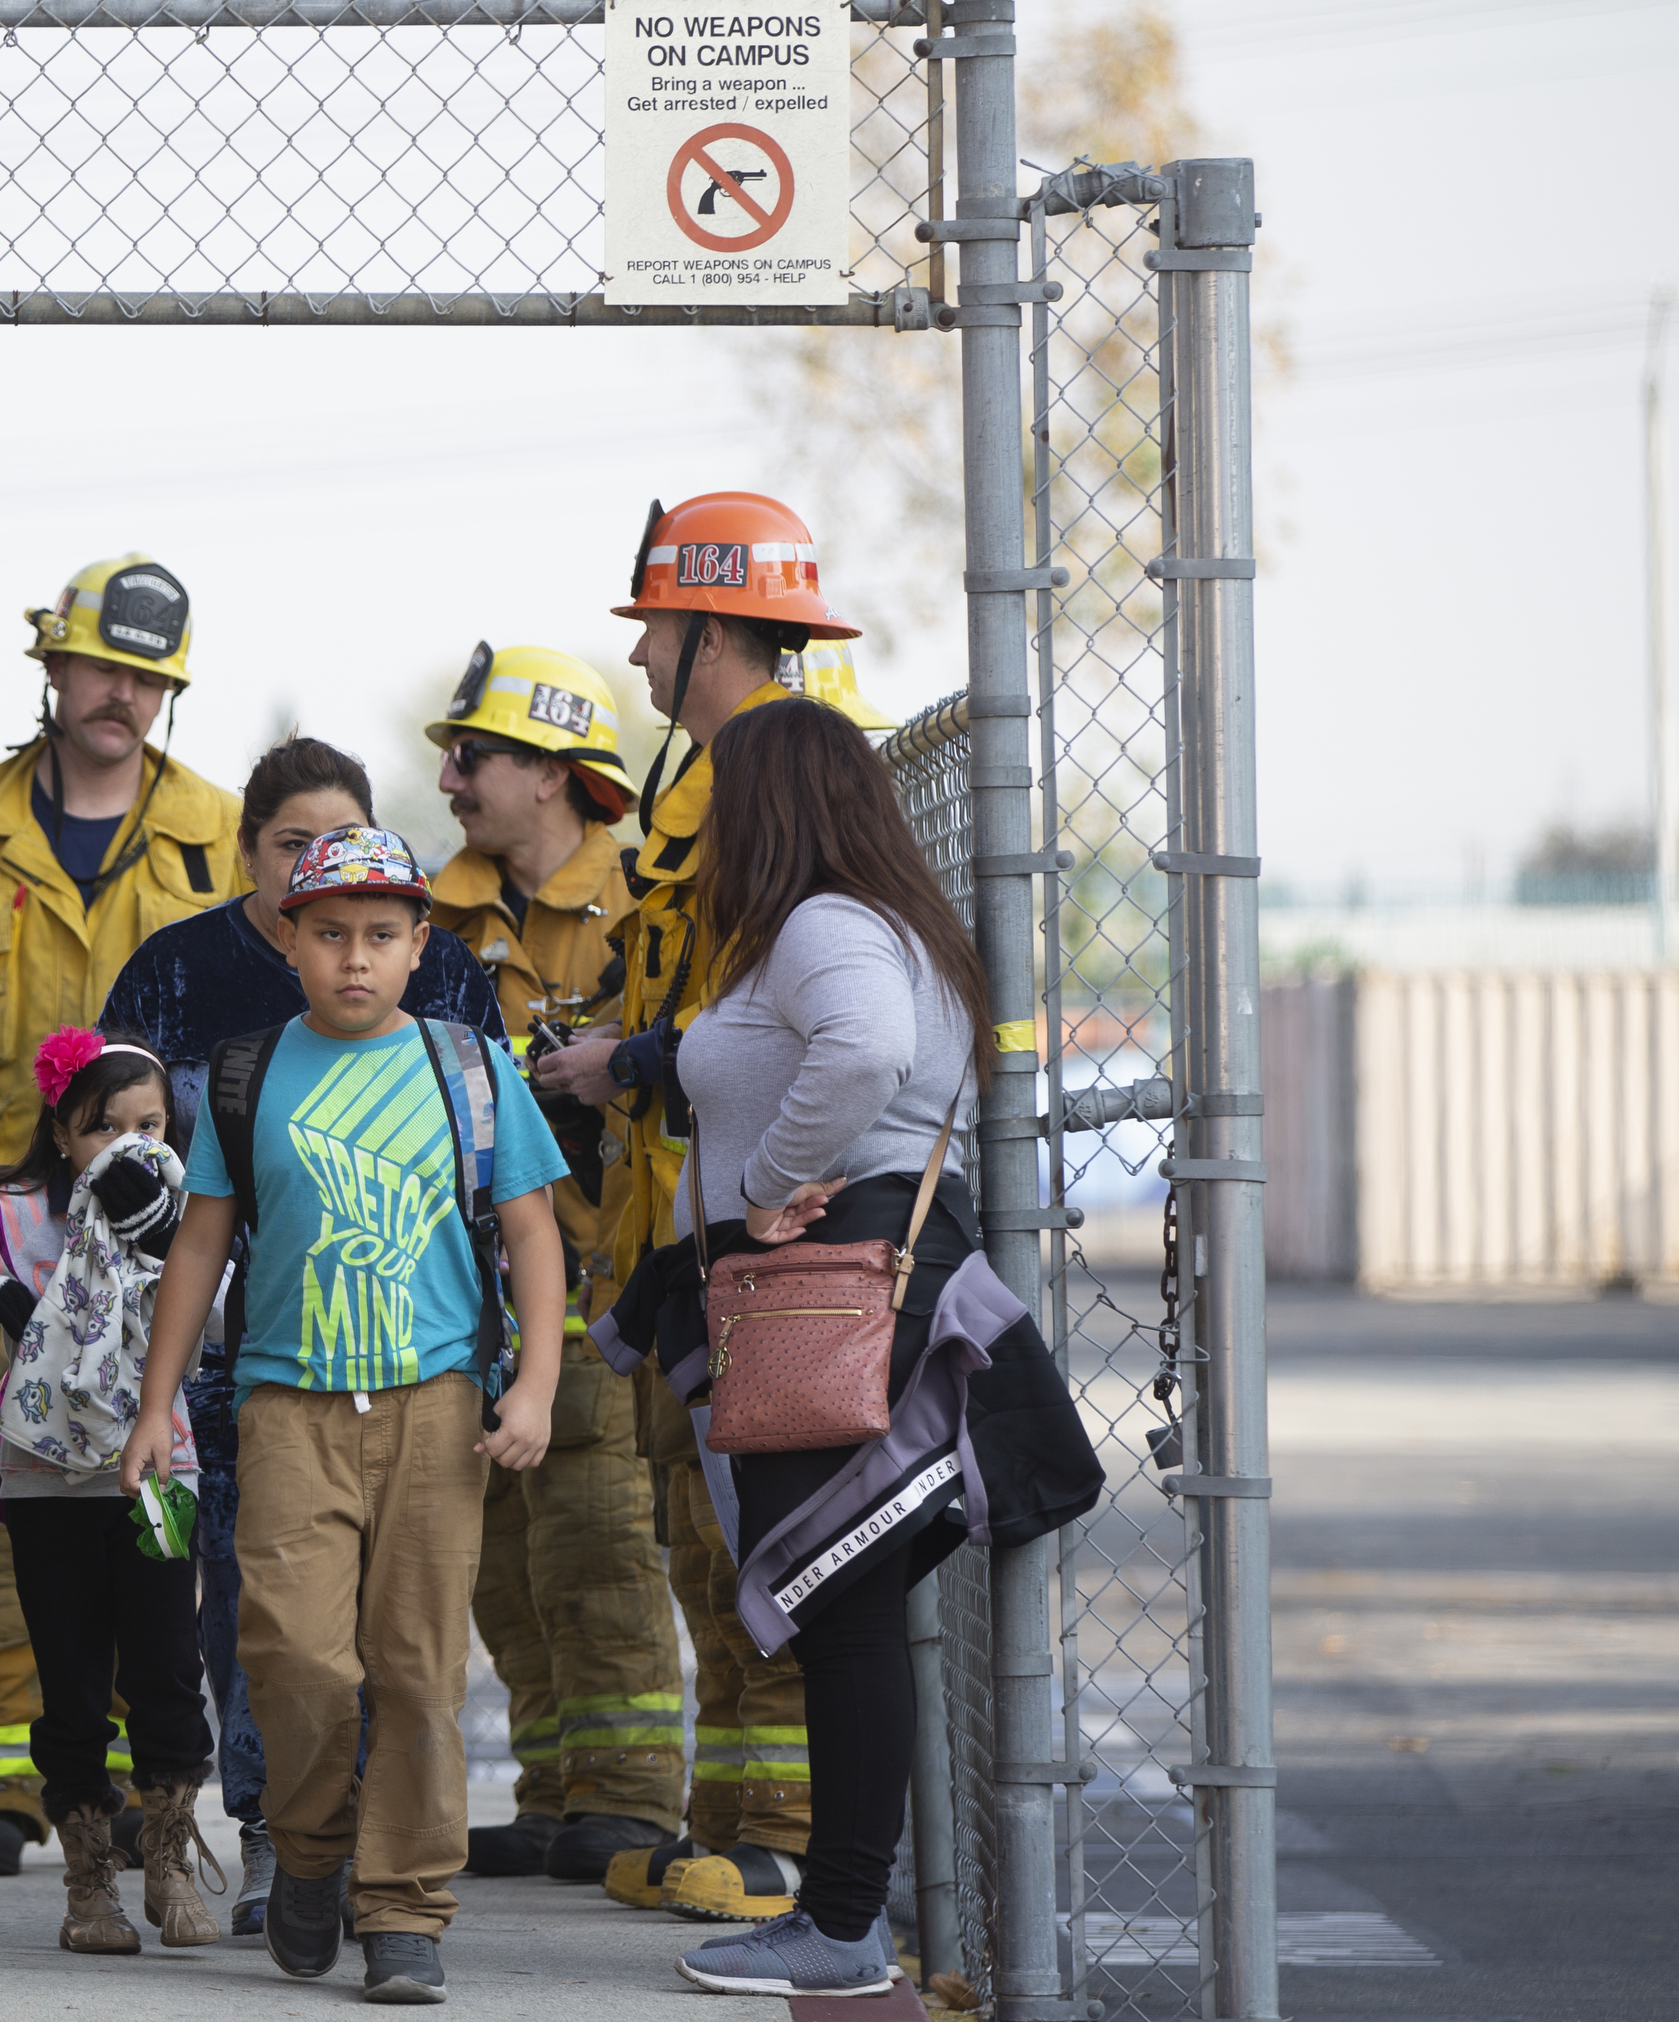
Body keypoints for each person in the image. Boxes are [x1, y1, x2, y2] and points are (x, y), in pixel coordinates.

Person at [585, 698, 1101, 1996]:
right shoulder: (867, 922)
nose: (704, 827)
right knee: (847, 1615)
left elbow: (864, 1053)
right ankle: (845, 1912)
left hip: (830, 1299)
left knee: (849, 1618)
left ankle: (842, 1920)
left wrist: (767, 1178)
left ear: (774, 807)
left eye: (722, 798)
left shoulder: (824, 926)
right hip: (834, 1300)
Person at [121, 824, 570, 2006]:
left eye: (381, 936)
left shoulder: (469, 1066)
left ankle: (405, 1907)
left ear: (421, 947)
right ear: (290, 939)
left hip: (435, 1406)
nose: (354, 958)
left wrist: (534, 1385)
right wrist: (156, 1404)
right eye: (329, 935)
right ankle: (313, 1854)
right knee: (297, 1659)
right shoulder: (246, 1071)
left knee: (416, 1671)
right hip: (287, 1404)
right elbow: (202, 1243)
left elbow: (531, 1232)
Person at [0, 554, 244, 1878]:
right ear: (51, 664)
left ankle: (153, 1806)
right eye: (102, 667)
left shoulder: (221, 833)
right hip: (10, 1252)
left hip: (164, 1274)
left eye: (149, 676)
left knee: (154, 1569)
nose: (123, 695)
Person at [526, 490, 856, 1923]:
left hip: (749, 1234)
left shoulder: (769, 793)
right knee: (701, 1541)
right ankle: (729, 1822)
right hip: (683, 1229)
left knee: (754, 1542)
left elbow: (788, 1020)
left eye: (655, 625)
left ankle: (780, 1830)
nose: (642, 653)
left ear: (707, 628)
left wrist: (637, 1063)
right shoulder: (696, 792)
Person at [419, 644, 689, 1883]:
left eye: (471, 756)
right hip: (465, 1300)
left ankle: (629, 1796)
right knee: (504, 1571)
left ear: (550, 773)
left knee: (598, 1545)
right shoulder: (428, 916)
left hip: (596, 1287)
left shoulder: (641, 903)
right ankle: (553, 1790)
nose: (450, 776)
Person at [0, 1029, 223, 1954]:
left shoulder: (190, 1211)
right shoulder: (14, 1215)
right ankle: (88, 1888)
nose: (129, 1143)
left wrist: (168, 1241)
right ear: (62, 1131)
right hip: (42, 1485)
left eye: (150, 1123)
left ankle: (170, 1861)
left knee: (168, 1667)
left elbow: (230, 1312)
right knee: (68, 1682)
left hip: (162, 1476)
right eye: (103, 1127)